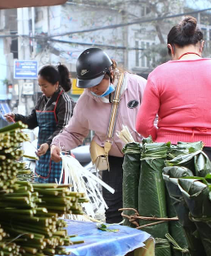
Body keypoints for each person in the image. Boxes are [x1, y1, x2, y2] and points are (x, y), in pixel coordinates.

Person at [135, 16, 211, 162]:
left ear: (171, 48)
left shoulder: (158, 74)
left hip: (170, 151)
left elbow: (143, 126)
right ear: (201, 45)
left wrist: (162, 136)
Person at [50, 48, 147, 223]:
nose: (93, 89)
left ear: (110, 72)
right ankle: (118, 249)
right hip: (113, 160)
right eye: (88, 85)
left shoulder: (138, 86)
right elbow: (74, 132)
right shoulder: (86, 101)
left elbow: (159, 119)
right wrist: (57, 145)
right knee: (113, 211)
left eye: (96, 83)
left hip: (144, 159)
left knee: (144, 208)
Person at [4, 64, 74, 183]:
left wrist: (48, 144)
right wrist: (16, 118)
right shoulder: (42, 100)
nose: (42, 89)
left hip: (57, 153)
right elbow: (31, 122)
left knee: (56, 192)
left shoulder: (64, 101)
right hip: (42, 153)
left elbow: (63, 129)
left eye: (45, 86)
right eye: (40, 85)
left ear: (56, 84)